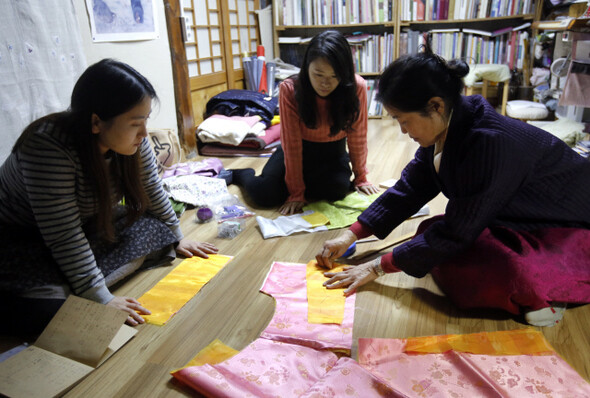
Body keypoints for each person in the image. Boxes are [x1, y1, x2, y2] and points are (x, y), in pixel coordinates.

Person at [316, 38, 590, 327]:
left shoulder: (489, 142)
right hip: (515, 216)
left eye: (403, 120)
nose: (402, 130)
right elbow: (410, 188)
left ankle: (548, 293)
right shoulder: (452, 122)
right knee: (430, 233)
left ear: (435, 106)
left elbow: (458, 232)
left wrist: (376, 267)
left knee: (502, 271)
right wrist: (352, 234)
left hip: (567, 225)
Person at [0, 59, 218, 334]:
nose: (143, 133)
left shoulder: (132, 141)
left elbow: (151, 186)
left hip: (84, 225)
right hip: (21, 238)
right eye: (136, 123)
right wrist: (102, 298)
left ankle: (77, 287)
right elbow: (63, 234)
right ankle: (74, 289)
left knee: (158, 231)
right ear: (96, 122)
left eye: (146, 121)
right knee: (53, 314)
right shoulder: (47, 146)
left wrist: (178, 236)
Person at [228, 30, 379, 215]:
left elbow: (358, 136)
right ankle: (241, 174)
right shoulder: (290, 89)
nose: (326, 83)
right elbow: (291, 145)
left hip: (333, 153)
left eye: (334, 76)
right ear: (306, 67)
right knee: (264, 196)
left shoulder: (356, 87)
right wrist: (296, 193)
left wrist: (361, 178)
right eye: (318, 74)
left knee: (336, 191)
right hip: (295, 151)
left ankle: (304, 183)